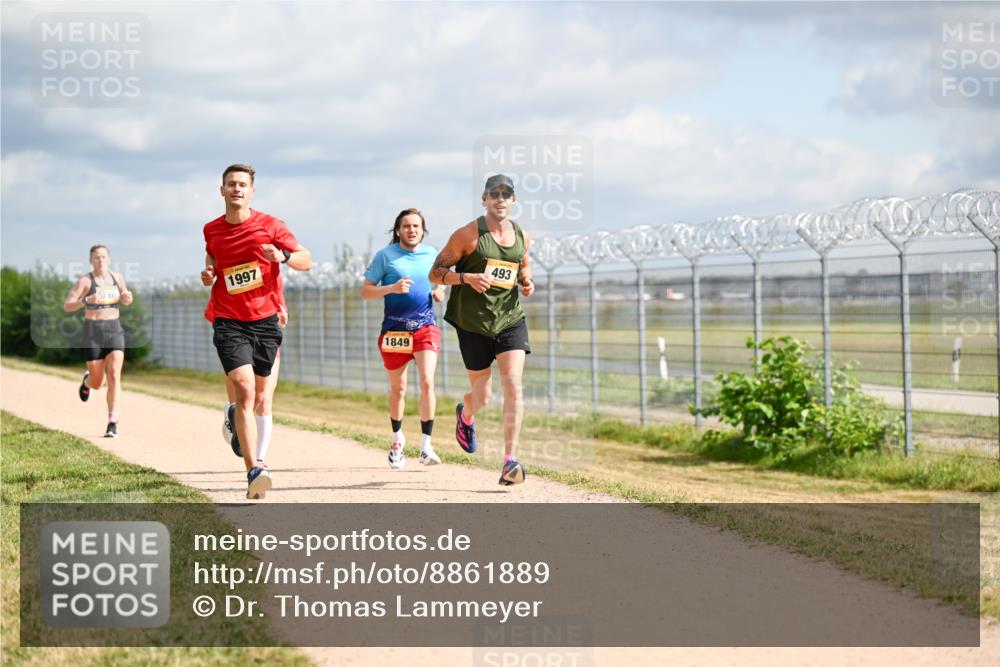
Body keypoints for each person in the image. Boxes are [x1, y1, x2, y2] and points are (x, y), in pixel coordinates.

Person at [200, 164, 312, 500]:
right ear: (221, 191)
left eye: (242, 184)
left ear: (251, 191)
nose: (236, 189)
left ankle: (238, 423)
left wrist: (283, 256)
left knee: (262, 398)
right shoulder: (211, 229)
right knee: (246, 391)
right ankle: (255, 470)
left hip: (265, 320)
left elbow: (306, 259)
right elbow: (213, 255)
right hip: (228, 320)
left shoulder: (270, 225)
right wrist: (209, 272)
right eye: (231, 184)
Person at [429, 175, 534, 485]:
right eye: (494, 193)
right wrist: (466, 279)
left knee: (513, 386)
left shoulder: (522, 236)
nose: (500, 198)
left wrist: (527, 281)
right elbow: (435, 273)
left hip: (510, 318)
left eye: (506, 193)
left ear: (513, 200)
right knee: (483, 396)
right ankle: (466, 414)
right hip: (473, 322)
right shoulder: (468, 235)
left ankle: (509, 461)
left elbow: (523, 265)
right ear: (484, 199)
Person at [362, 208, 447, 469]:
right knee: (398, 389)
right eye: (406, 226)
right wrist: (391, 288)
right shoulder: (385, 257)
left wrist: (440, 290)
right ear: (398, 230)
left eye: (416, 226)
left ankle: (426, 445)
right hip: (395, 331)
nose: (411, 230)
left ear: (423, 230)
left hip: (424, 327)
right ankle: (397, 439)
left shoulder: (432, 254)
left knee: (427, 381)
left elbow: (442, 280)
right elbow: (365, 291)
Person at [63, 244, 134, 437]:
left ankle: (113, 422)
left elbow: (126, 299)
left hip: (114, 330)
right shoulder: (85, 281)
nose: (100, 260)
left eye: (103, 257)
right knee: (97, 382)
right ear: (90, 261)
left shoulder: (117, 278)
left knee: (113, 375)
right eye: (96, 257)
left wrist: (127, 297)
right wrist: (87, 300)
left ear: (109, 259)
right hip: (92, 332)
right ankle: (87, 382)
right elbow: (67, 306)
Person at [220, 272, 287, 469]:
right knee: (244, 396)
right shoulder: (232, 265)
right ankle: (232, 414)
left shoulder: (272, 269)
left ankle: (259, 460)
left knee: (263, 399)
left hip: (266, 335)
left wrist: (282, 311)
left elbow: (279, 299)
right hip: (236, 336)